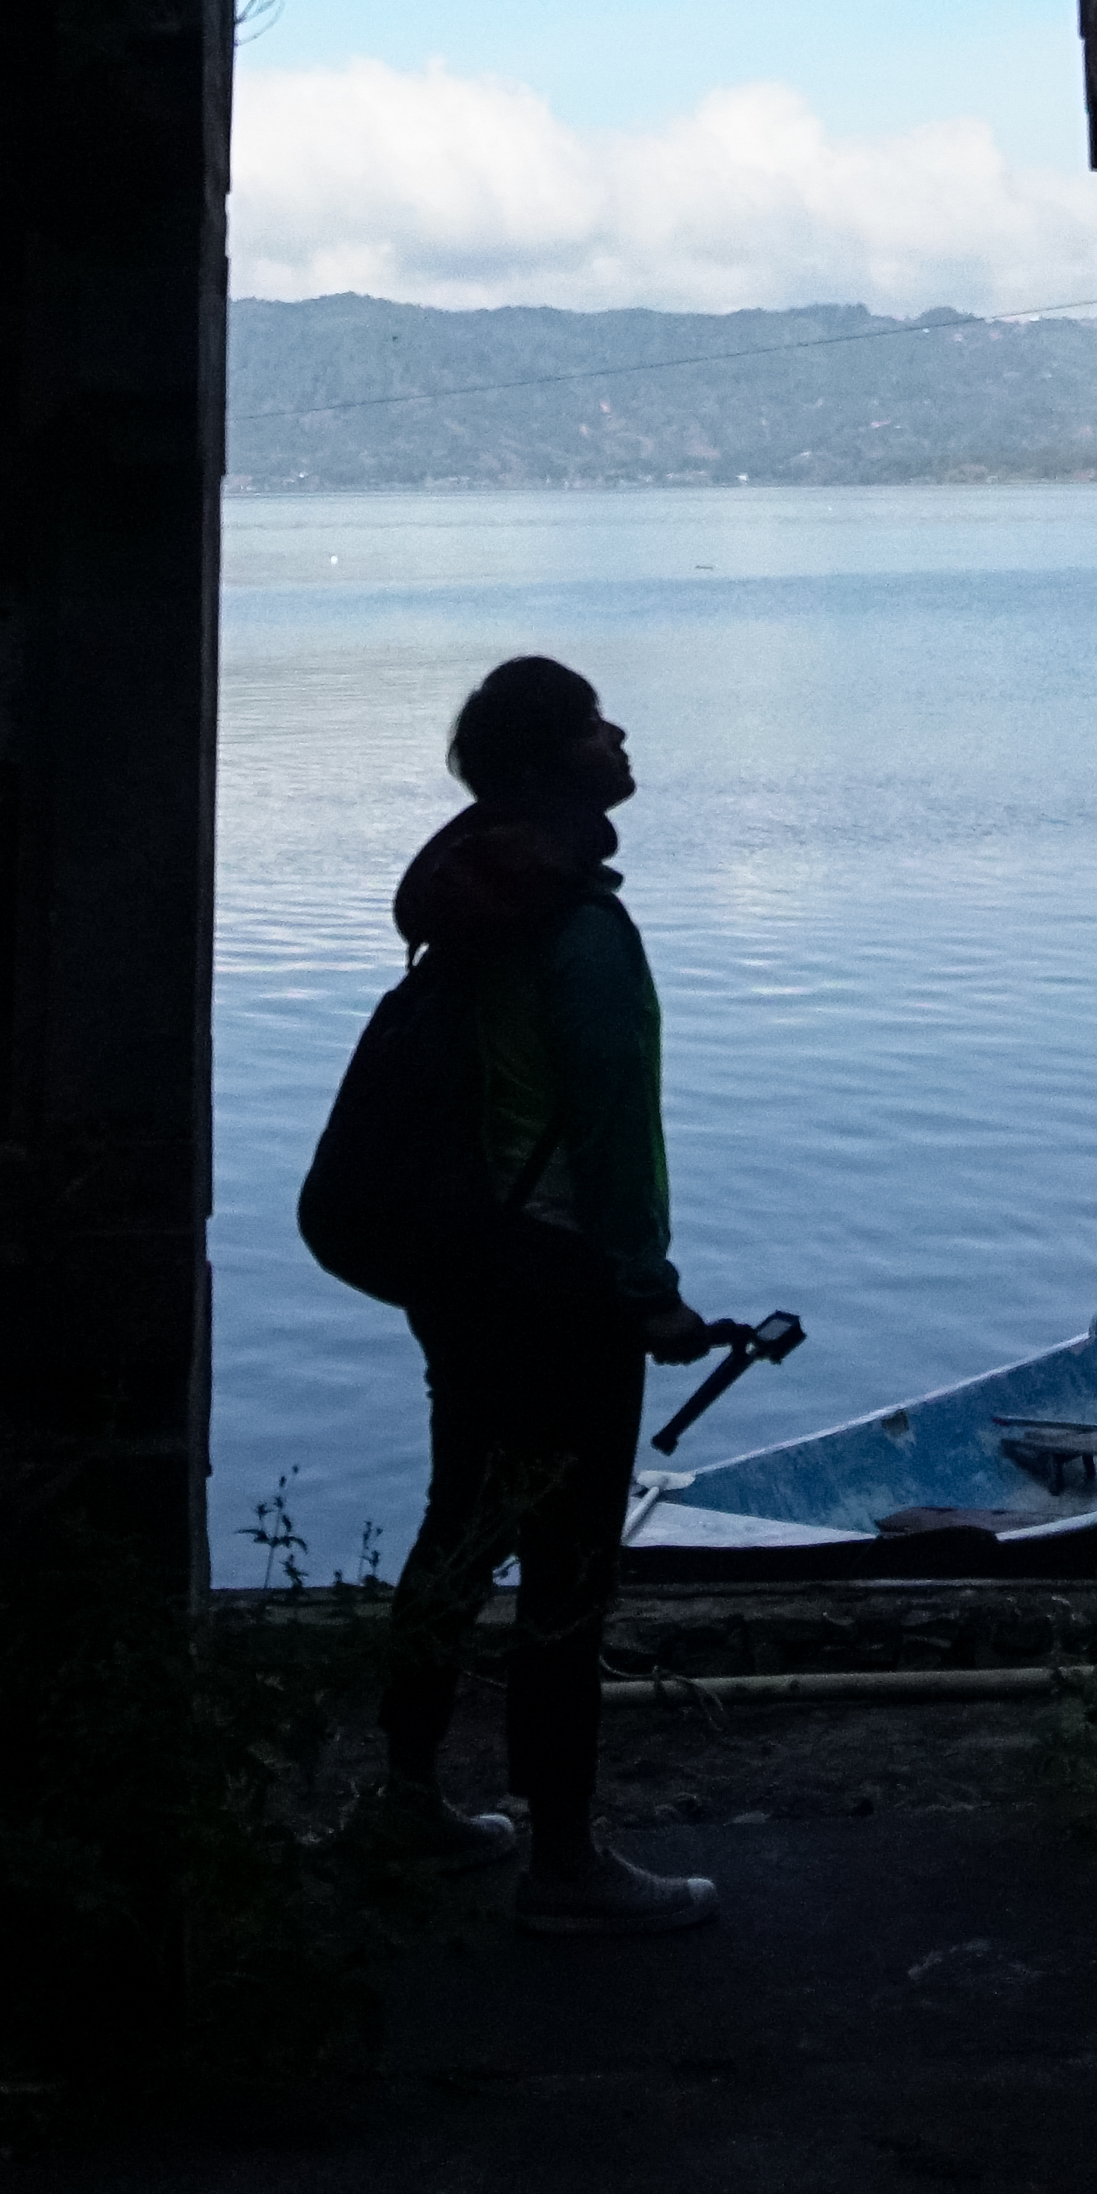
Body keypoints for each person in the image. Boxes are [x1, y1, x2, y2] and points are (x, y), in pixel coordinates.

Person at [358, 652, 734, 1937]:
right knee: (569, 1567)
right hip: (559, 1284)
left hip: (464, 1269)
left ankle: (405, 1799)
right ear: (542, 764)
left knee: (458, 1533)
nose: (618, 736)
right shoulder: (575, 926)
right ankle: (565, 1863)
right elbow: (609, 1128)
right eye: (590, 725)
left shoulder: (473, 908)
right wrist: (648, 1293)